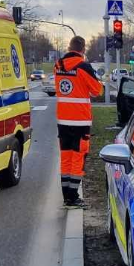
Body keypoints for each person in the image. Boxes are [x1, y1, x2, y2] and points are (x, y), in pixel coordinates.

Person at [54, 36, 105, 207]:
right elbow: (97, 90)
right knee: (78, 157)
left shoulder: (58, 66)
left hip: (63, 119)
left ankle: (65, 195)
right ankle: (73, 195)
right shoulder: (83, 67)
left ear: (69, 48)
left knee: (66, 157)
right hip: (80, 121)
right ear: (82, 50)